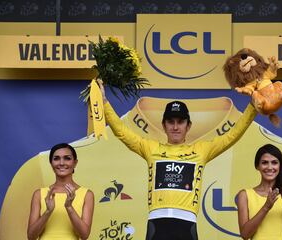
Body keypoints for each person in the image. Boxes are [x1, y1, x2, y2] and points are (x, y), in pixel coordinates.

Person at [98, 80, 257, 240]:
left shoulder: (201, 150)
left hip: (186, 224)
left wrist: (252, 107)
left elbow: (232, 135)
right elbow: (122, 132)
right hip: (156, 223)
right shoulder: (151, 148)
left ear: (188, 126)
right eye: (171, 122)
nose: (175, 127)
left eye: (180, 122)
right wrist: (104, 103)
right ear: (164, 125)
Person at [27, 143, 94, 240]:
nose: (61, 163)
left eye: (67, 158)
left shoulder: (87, 194)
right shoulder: (39, 194)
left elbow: (84, 235)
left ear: (75, 163)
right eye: (56, 158)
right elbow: (31, 237)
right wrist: (48, 211)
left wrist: (69, 207)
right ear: (51, 164)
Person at [236, 144, 282, 240]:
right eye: (264, 162)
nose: (270, 167)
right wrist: (266, 207)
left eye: (274, 162)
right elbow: (245, 234)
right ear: (257, 166)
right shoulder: (245, 195)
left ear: (280, 166)